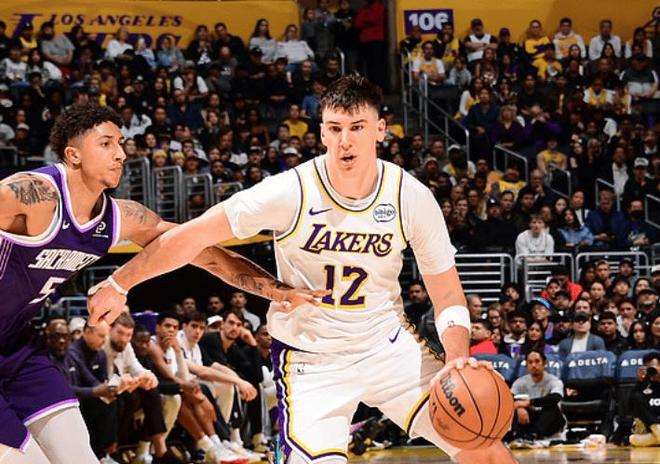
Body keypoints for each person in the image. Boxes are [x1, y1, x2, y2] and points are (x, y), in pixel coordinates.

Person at [89, 75, 515, 463]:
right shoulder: (289, 191)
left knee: (484, 446)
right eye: (335, 128)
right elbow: (190, 236)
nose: (345, 141)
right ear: (322, 132)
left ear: (381, 129)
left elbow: (447, 292)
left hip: (387, 347)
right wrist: (119, 282)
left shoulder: (410, 196)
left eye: (357, 127)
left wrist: (457, 357)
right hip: (312, 360)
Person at [0, 104, 315, 463]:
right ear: (73, 155)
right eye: (106, 143)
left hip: (18, 348)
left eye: (120, 143)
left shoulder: (118, 217)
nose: (121, 153)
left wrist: (275, 290)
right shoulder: (32, 195)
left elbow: (199, 250)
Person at [510, 351, 566, 445]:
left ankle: (533, 435)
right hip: (529, 420)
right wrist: (519, 408)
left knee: (551, 406)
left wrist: (529, 402)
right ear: (526, 365)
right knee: (517, 409)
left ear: (544, 363)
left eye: (537, 361)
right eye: (530, 362)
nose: (534, 365)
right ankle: (518, 436)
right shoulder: (519, 382)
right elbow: (509, 399)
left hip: (551, 423)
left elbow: (556, 398)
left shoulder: (554, 381)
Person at [628, 352, 660, 446]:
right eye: (649, 369)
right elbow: (630, 405)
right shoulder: (643, 386)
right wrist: (640, 381)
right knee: (636, 397)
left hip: (650, 434)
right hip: (650, 427)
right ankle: (657, 430)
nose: (652, 371)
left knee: (634, 439)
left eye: (654, 367)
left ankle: (655, 438)